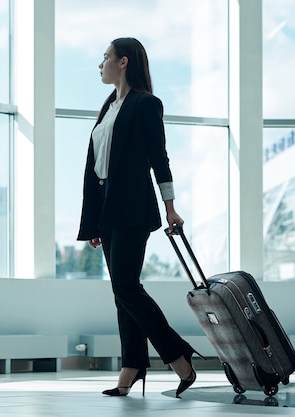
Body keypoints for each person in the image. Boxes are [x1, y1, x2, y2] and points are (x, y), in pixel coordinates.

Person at [77, 37, 204, 398]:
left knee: (126, 287)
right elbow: (98, 166)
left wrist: (170, 206)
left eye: (105, 57)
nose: (100, 63)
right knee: (121, 293)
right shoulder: (107, 107)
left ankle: (176, 353)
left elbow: (158, 158)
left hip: (132, 207)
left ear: (124, 62)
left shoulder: (146, 104)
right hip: (106, 210)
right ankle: (132, 365)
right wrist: (94, 220)